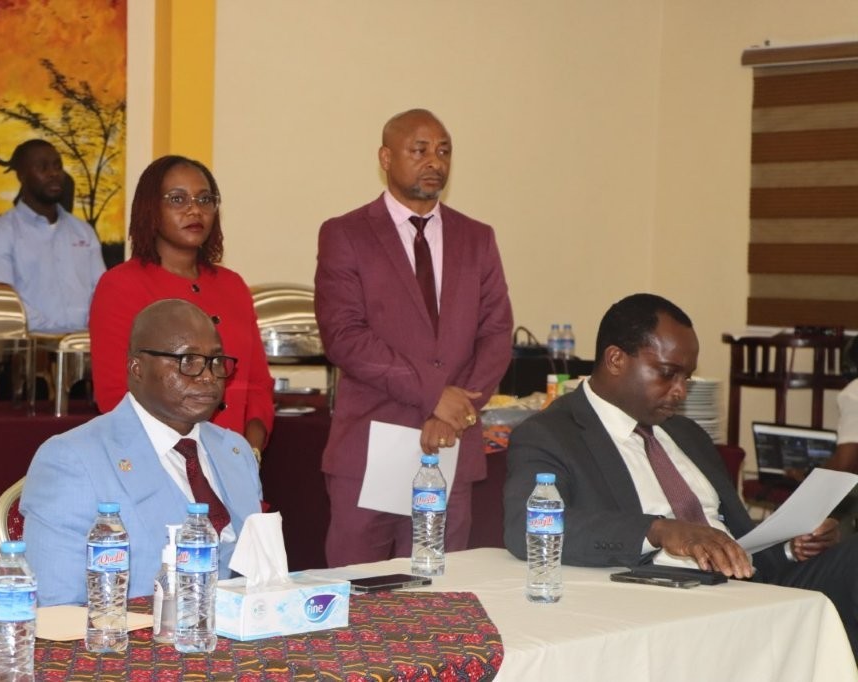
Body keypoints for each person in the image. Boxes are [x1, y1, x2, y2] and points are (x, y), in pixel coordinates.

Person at [503, 293, 858, 657]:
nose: (680, 391)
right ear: (615, 360)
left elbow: (739, 539)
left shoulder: (686, 433)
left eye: (686, 377)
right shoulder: (551, 434)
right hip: (666, 594)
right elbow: (523, 525)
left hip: (746, 584)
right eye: (667, 373)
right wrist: (659, 530)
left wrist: (790, 545)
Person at [314, 108, 513, 567]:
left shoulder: (477, 238)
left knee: (436, 590)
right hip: (370, 447)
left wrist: (455, 412)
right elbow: (344, 336)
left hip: (449, 446)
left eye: (444, 151)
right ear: (386, 158)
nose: (434, 162)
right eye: (419, 150)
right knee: (358, 588)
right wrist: (434, 395)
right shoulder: (346, 234)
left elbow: (497, 333)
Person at [21, 299, 263, 606]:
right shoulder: (73, 459)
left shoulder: (235, 451)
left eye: (215, 361)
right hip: (133, 635)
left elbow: (262, 576)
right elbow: (57, 608)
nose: (207, 376)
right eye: (188, 360)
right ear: (138, 368)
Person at [89, 155, 273, 458]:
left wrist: (250, 452)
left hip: (235, 460)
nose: (194, 209)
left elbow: (257, 386)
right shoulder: (120, 285)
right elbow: (115, 395)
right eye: (178, 199)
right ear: (151, 208)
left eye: (205, 199)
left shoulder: (233, 285)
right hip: (157, 461)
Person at [0, 139, 105, 333]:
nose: (54, 173)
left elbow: (103, 291)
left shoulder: (83, 232)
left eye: (57, 166)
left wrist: (85, 334)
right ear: (21, 175)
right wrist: (54, 336)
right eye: (42, 167)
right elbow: (5, 301)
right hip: (30, 346)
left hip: (84, 345)